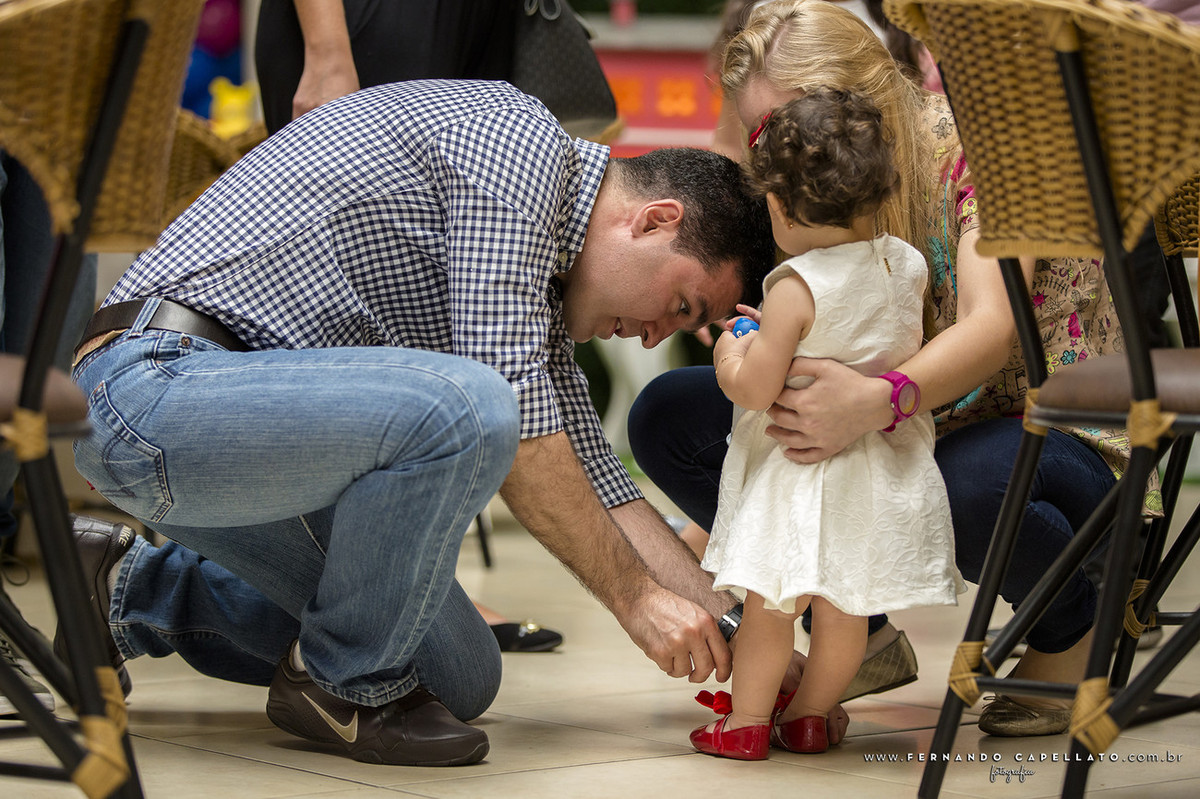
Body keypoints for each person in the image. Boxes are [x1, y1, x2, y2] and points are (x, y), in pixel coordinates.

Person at [68, 78, 777, 765]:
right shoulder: (517, 144)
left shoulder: (543, 288)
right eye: (683, 306)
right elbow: (517, 429)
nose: (658, 336)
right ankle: (337, 686)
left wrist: (752, 641)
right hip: (154, 388)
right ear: (655, 220)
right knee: (471, 405)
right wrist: (637, 600)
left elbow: (605, 490)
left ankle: (128, 589)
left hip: (244, 450)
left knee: (457, 673)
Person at [629, 0, 1132, 738]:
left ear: (854, 98)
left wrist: (876, 399)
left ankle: (1075, 629)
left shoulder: (987, 146)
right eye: (760, 133)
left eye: (777, 126)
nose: (772, 152)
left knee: (965, 480)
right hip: (907, 427)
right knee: (672, 414)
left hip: (1039, 425)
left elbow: (993, 326)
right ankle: (851, 624)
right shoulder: (812, 174)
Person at [256, 0, 561, 654]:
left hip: (476, 23)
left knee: (448, 315)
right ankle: (340, 587)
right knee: (347, 307)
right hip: (363, 26)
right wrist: (328, 50)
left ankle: (417, 578)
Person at [689, 89, 961, 761]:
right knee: (843, 607)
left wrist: (733, 350)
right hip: (872, 466)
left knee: (772, 606)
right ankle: (812, 715)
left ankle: (746, 723)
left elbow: (755, 387)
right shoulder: (907, 263)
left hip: (797, 468)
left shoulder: (792, 286)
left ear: (778, 206)